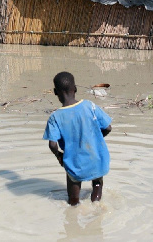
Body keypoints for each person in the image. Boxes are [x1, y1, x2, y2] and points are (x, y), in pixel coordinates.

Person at [43, 71, 112, 206]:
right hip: (96, 159)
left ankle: (74, 210)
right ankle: (96, 205)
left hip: (75, 164)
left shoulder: (55, 117)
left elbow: (52, 145)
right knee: (97, 184)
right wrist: (96, 139)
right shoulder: (90, 106)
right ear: (75, 89)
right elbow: (108, 127)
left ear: (55, 92)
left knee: (73, 196)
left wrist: (59, 156)